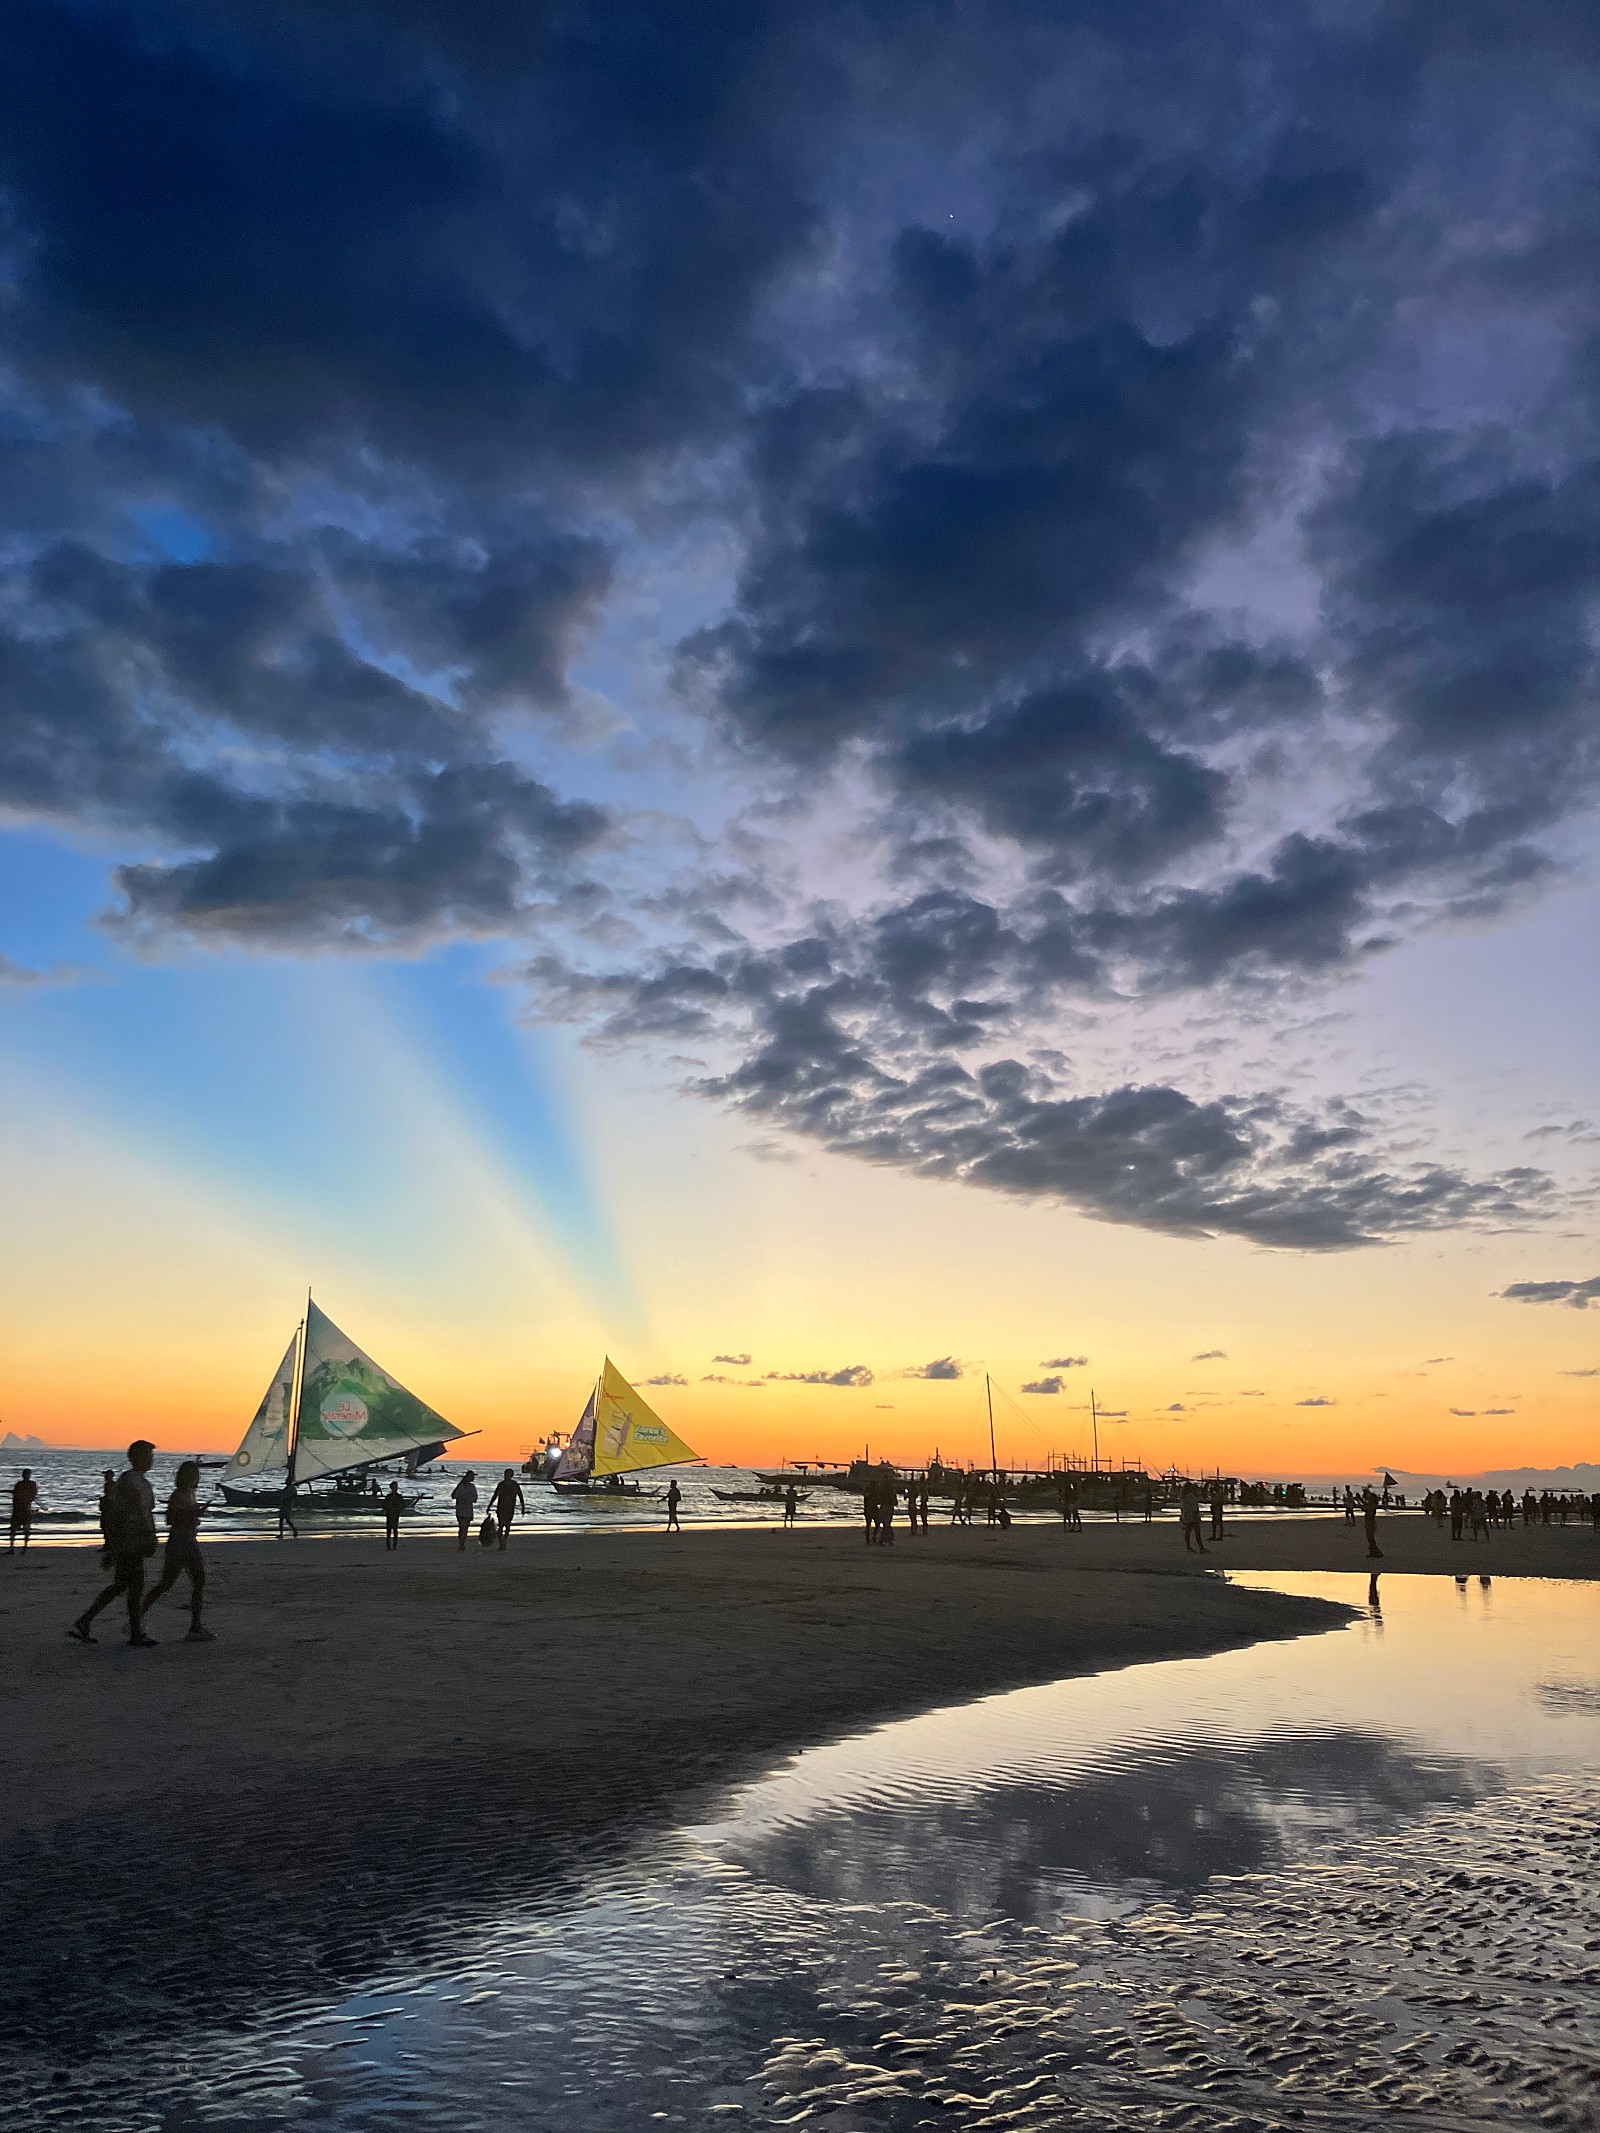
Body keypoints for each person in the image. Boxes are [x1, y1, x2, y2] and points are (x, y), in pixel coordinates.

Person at [69, 1441, 159, 1645]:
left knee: (124, 1584)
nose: (151, 1460)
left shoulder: (141, 1482)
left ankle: (88, 1620)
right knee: (133, 1585)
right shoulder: (128, 1482)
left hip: (137, 1539)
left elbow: (145, 1513)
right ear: (137, 1458)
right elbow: (126, 1515)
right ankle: (134, 1633)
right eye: (148, 1456)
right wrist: (120, 1542)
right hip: (130, 1540)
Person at [140, 1459, 213, 1640]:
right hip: (182, 1543)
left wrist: (194, 1514)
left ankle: (139, 1615)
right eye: (195, 1475)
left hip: (185, 1541)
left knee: (172, 1583)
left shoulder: (190, 1494)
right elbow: (171, 1519)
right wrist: (193, 1513)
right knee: (188, 1581)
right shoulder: (179, 1495)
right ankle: (195, 1627)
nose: (197, 1478)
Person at [489, 1468, 526, 1550]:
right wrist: (489, 1506)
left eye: (507, 1474)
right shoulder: (504, 1484)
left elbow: (521, 1497)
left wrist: (523, 1507)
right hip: (502, 1508)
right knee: (502, 1525)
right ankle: (502, 1543)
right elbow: (495, 1496)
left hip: (508, 1508)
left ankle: (503, 1542)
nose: (505, 1476)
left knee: (506, 1526)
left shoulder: (512, 1485)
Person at [8, 1467, 39, 1552]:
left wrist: (27, 1500)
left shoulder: (32, 1484)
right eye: (25, 1474)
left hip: (25, 1510)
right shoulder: (19, 1484)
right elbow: (16, 1494)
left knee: (25, 1529)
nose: (25, 1476)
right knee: (13, 1529)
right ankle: (12, 1547)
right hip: (17, 1510)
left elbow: (33, 1495)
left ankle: (24, 1546)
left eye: (27, 1474)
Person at [451, 1469, 478, 1551]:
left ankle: (462, 1543)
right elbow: (453, 1495)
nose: (473, 1478)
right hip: (461, 1509)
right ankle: (461, 1543)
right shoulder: (461, 1486)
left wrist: (467, 1499)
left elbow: (475, 1498)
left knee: (465, 1528)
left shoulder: (471, 1486)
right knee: (463, 1527)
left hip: (467, 1509)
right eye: (472, 1476)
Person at [1179, 1480, 1206, 1554]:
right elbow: (1193, 1507)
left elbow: (1182, 1507)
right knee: (1197, 1531)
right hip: (1192, 1515)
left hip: (1187, 1515)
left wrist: (1182, 1516)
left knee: (1188, 1531)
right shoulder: (1191, 1496)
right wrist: (1196, 1515)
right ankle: (1201, 1547)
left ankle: (1189, 1547)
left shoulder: (1183, 1497)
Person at [1361, 1485, 1384, 1560]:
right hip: (1370, 1522)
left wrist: (1360, 1500)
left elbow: (1364, 1508)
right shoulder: (1372, 1505)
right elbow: (1364, 1507)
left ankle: (1376, 1552)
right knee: (1370, 1538)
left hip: (1370, 1523)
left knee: (1370, 1538)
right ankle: (1372, 1552)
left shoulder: (1372, 1505)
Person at [383, 1480, 404, 1551]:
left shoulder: (399, 1496)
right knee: (388, 1530)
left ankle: (395, 1545)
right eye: (394, 1486)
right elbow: (385, 1505)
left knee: (395, 1530)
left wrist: (399, 1510)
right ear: (391, 1487)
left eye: (396, 1486)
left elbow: (402, 1505)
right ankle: (388, 1545)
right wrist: (387, 1511)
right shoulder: (389, 1496)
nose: (395, 1488)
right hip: (389, 1514)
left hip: (395, 1514)